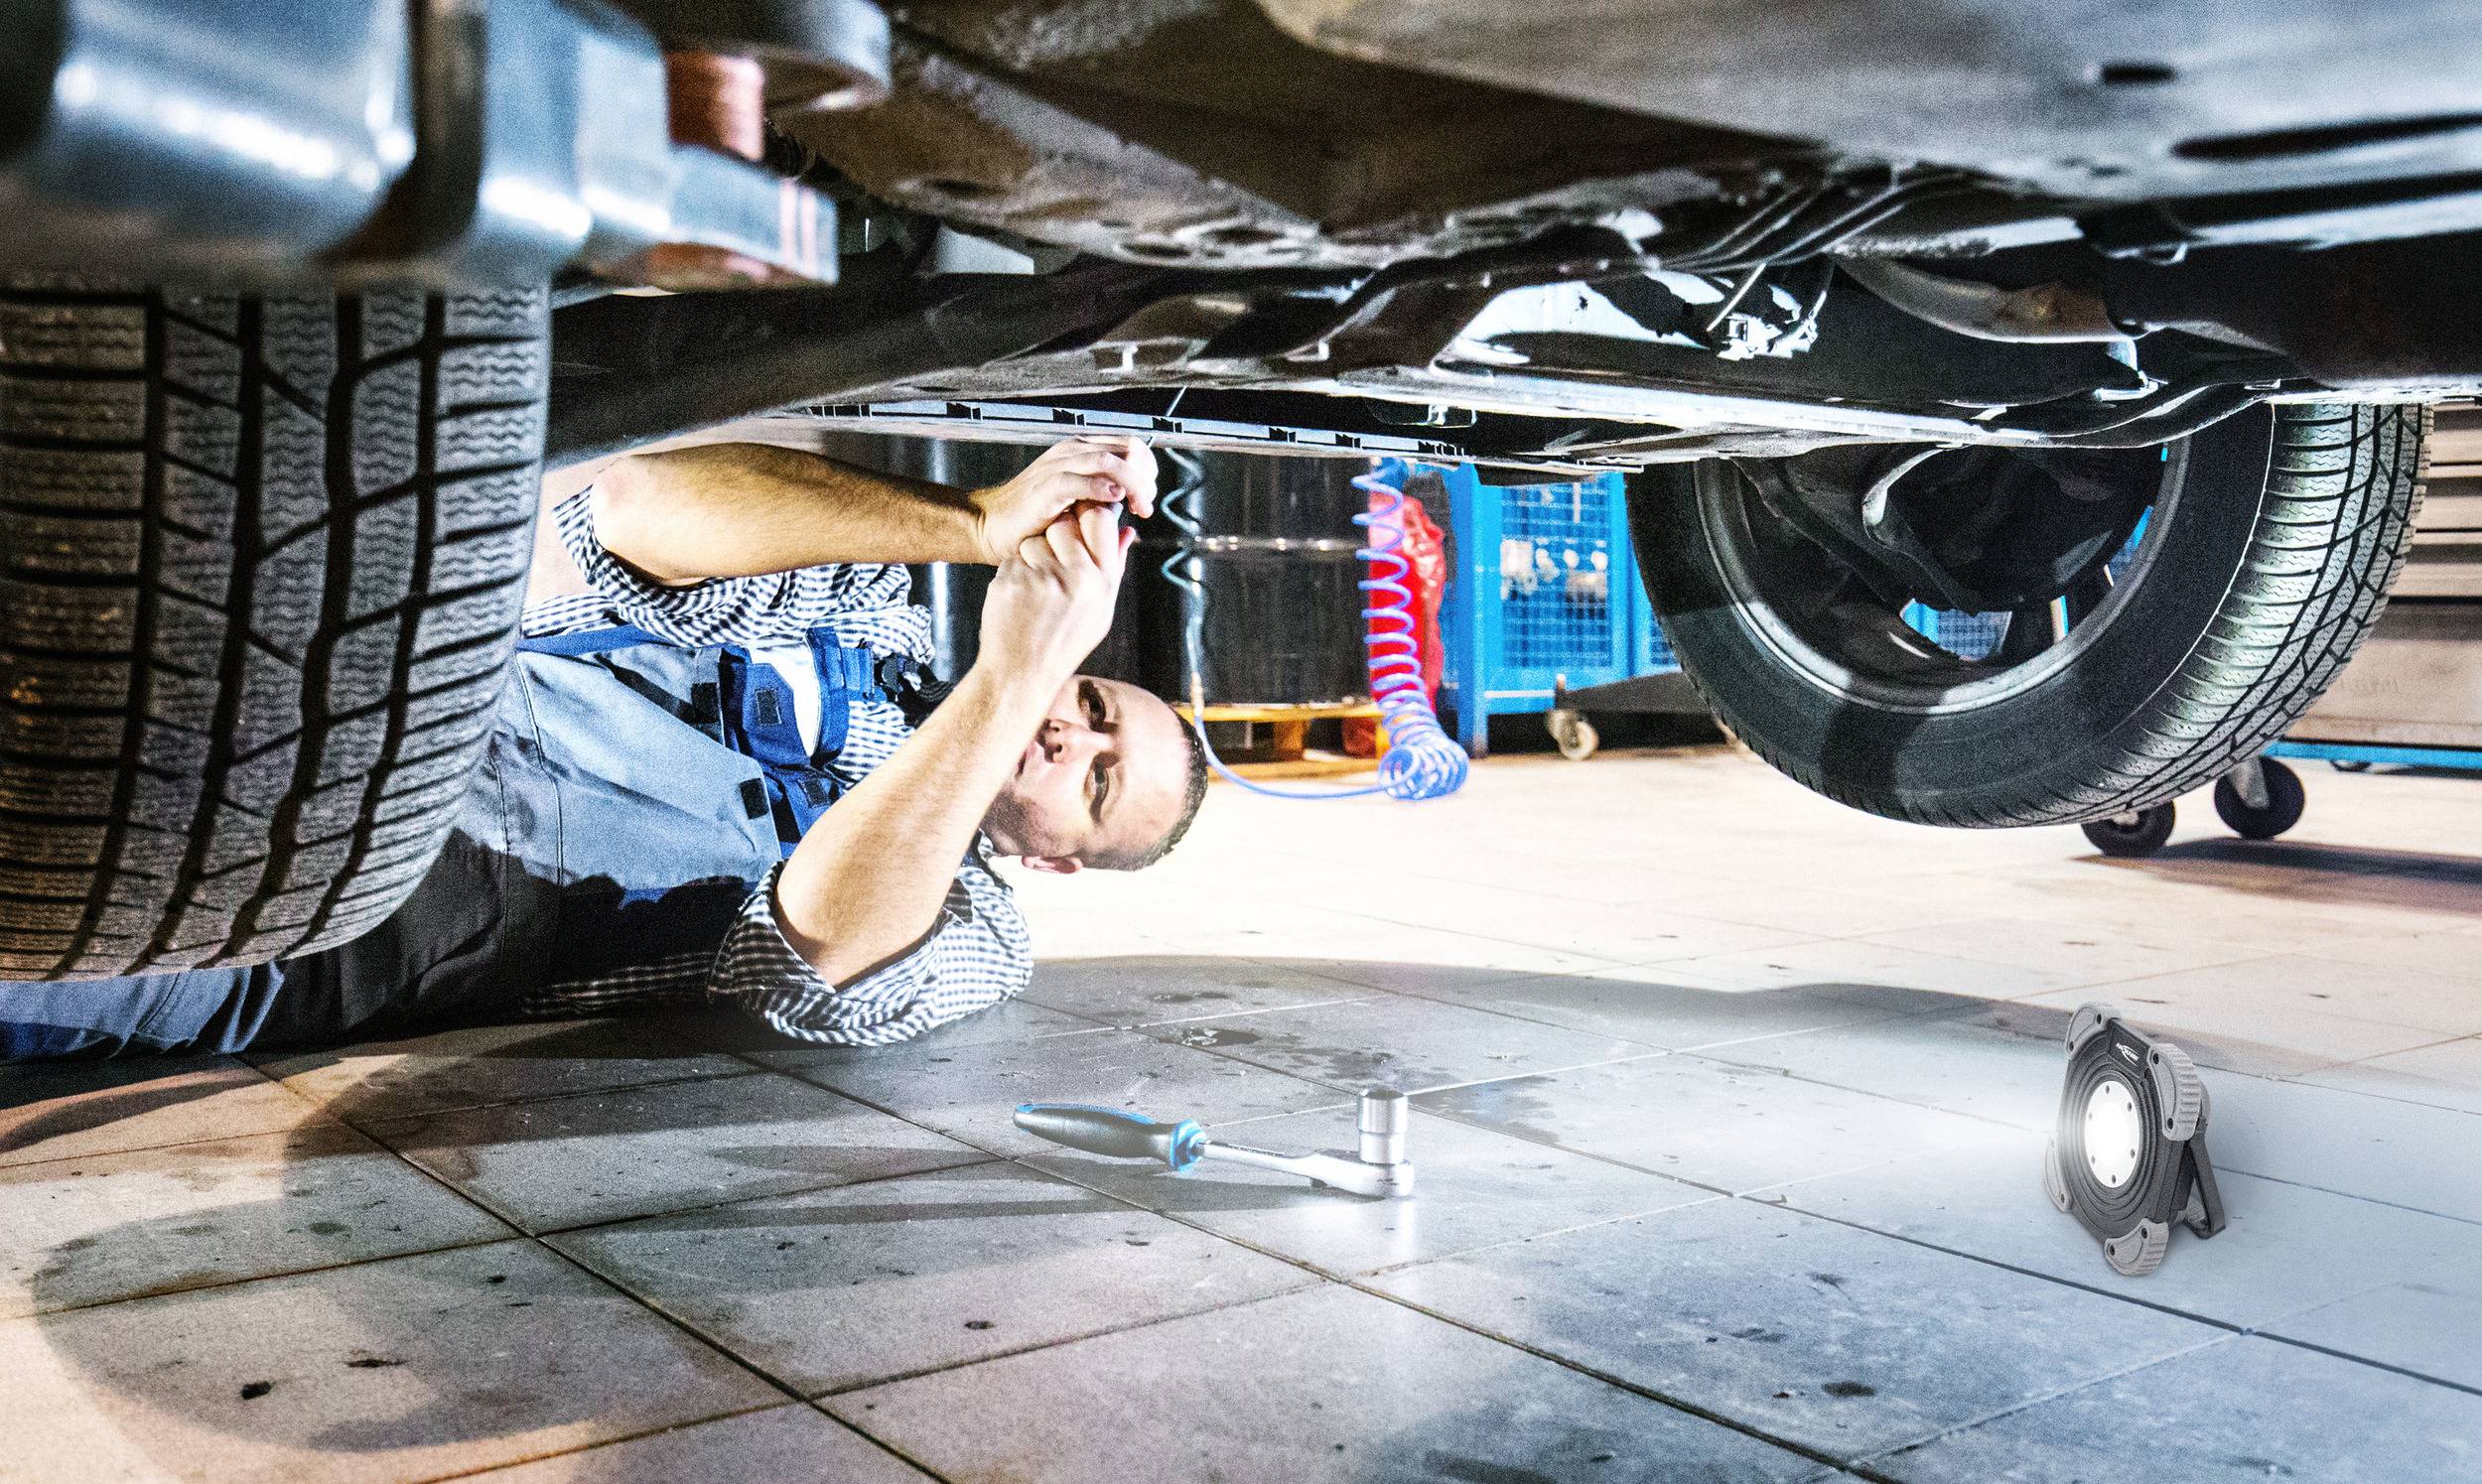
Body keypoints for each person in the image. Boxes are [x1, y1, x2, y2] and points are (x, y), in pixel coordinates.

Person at [0, 435, 1209, 1059]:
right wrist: (979, 524)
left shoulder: (973, 929)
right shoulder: (868, 618)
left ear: (1060, 863)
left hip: (278, 934)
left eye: (1097, 780)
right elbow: (625, 518)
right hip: (295, 703)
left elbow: (810, 966)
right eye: (1093, 704)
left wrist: (1008, 682)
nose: (1069, 732)